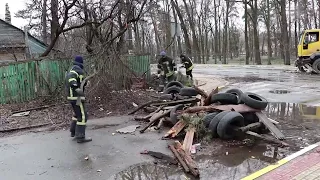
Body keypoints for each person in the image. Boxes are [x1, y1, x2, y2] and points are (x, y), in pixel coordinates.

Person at [65, 56, 92, 143]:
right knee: (83, 116)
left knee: (77, 114)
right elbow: (71, 78)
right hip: (77, 96)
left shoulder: (75, 68)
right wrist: (76, 87)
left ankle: (73, 131)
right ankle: (80, 136)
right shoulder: (76, 69)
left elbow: (80, 81)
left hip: (76, 97)